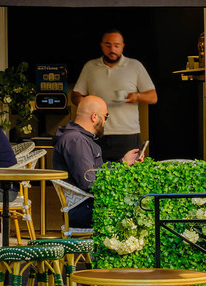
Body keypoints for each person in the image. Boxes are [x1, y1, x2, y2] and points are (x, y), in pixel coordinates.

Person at [55, 93, 142, 228]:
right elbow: (89, 182)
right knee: (143, 207)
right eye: (105, 117)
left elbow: (94, 173)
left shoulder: (78, 138)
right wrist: (121, 186)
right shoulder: (76, 140)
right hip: (85, 209)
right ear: (94, 116)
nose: (106, 121)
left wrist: (123, 162)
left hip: (87, 205)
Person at [72, 31, 156, 164]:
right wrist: (87, 104)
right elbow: (75, 95)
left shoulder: (135, 66)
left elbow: (153, 97)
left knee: (130, 176)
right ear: (102, 46)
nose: (112, 49)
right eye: (108, 45)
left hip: (128, 134)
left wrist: (135, 96)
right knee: (96, 175)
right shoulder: (90, 67)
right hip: (97, 132)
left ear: (123, 46)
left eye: (116, 45)